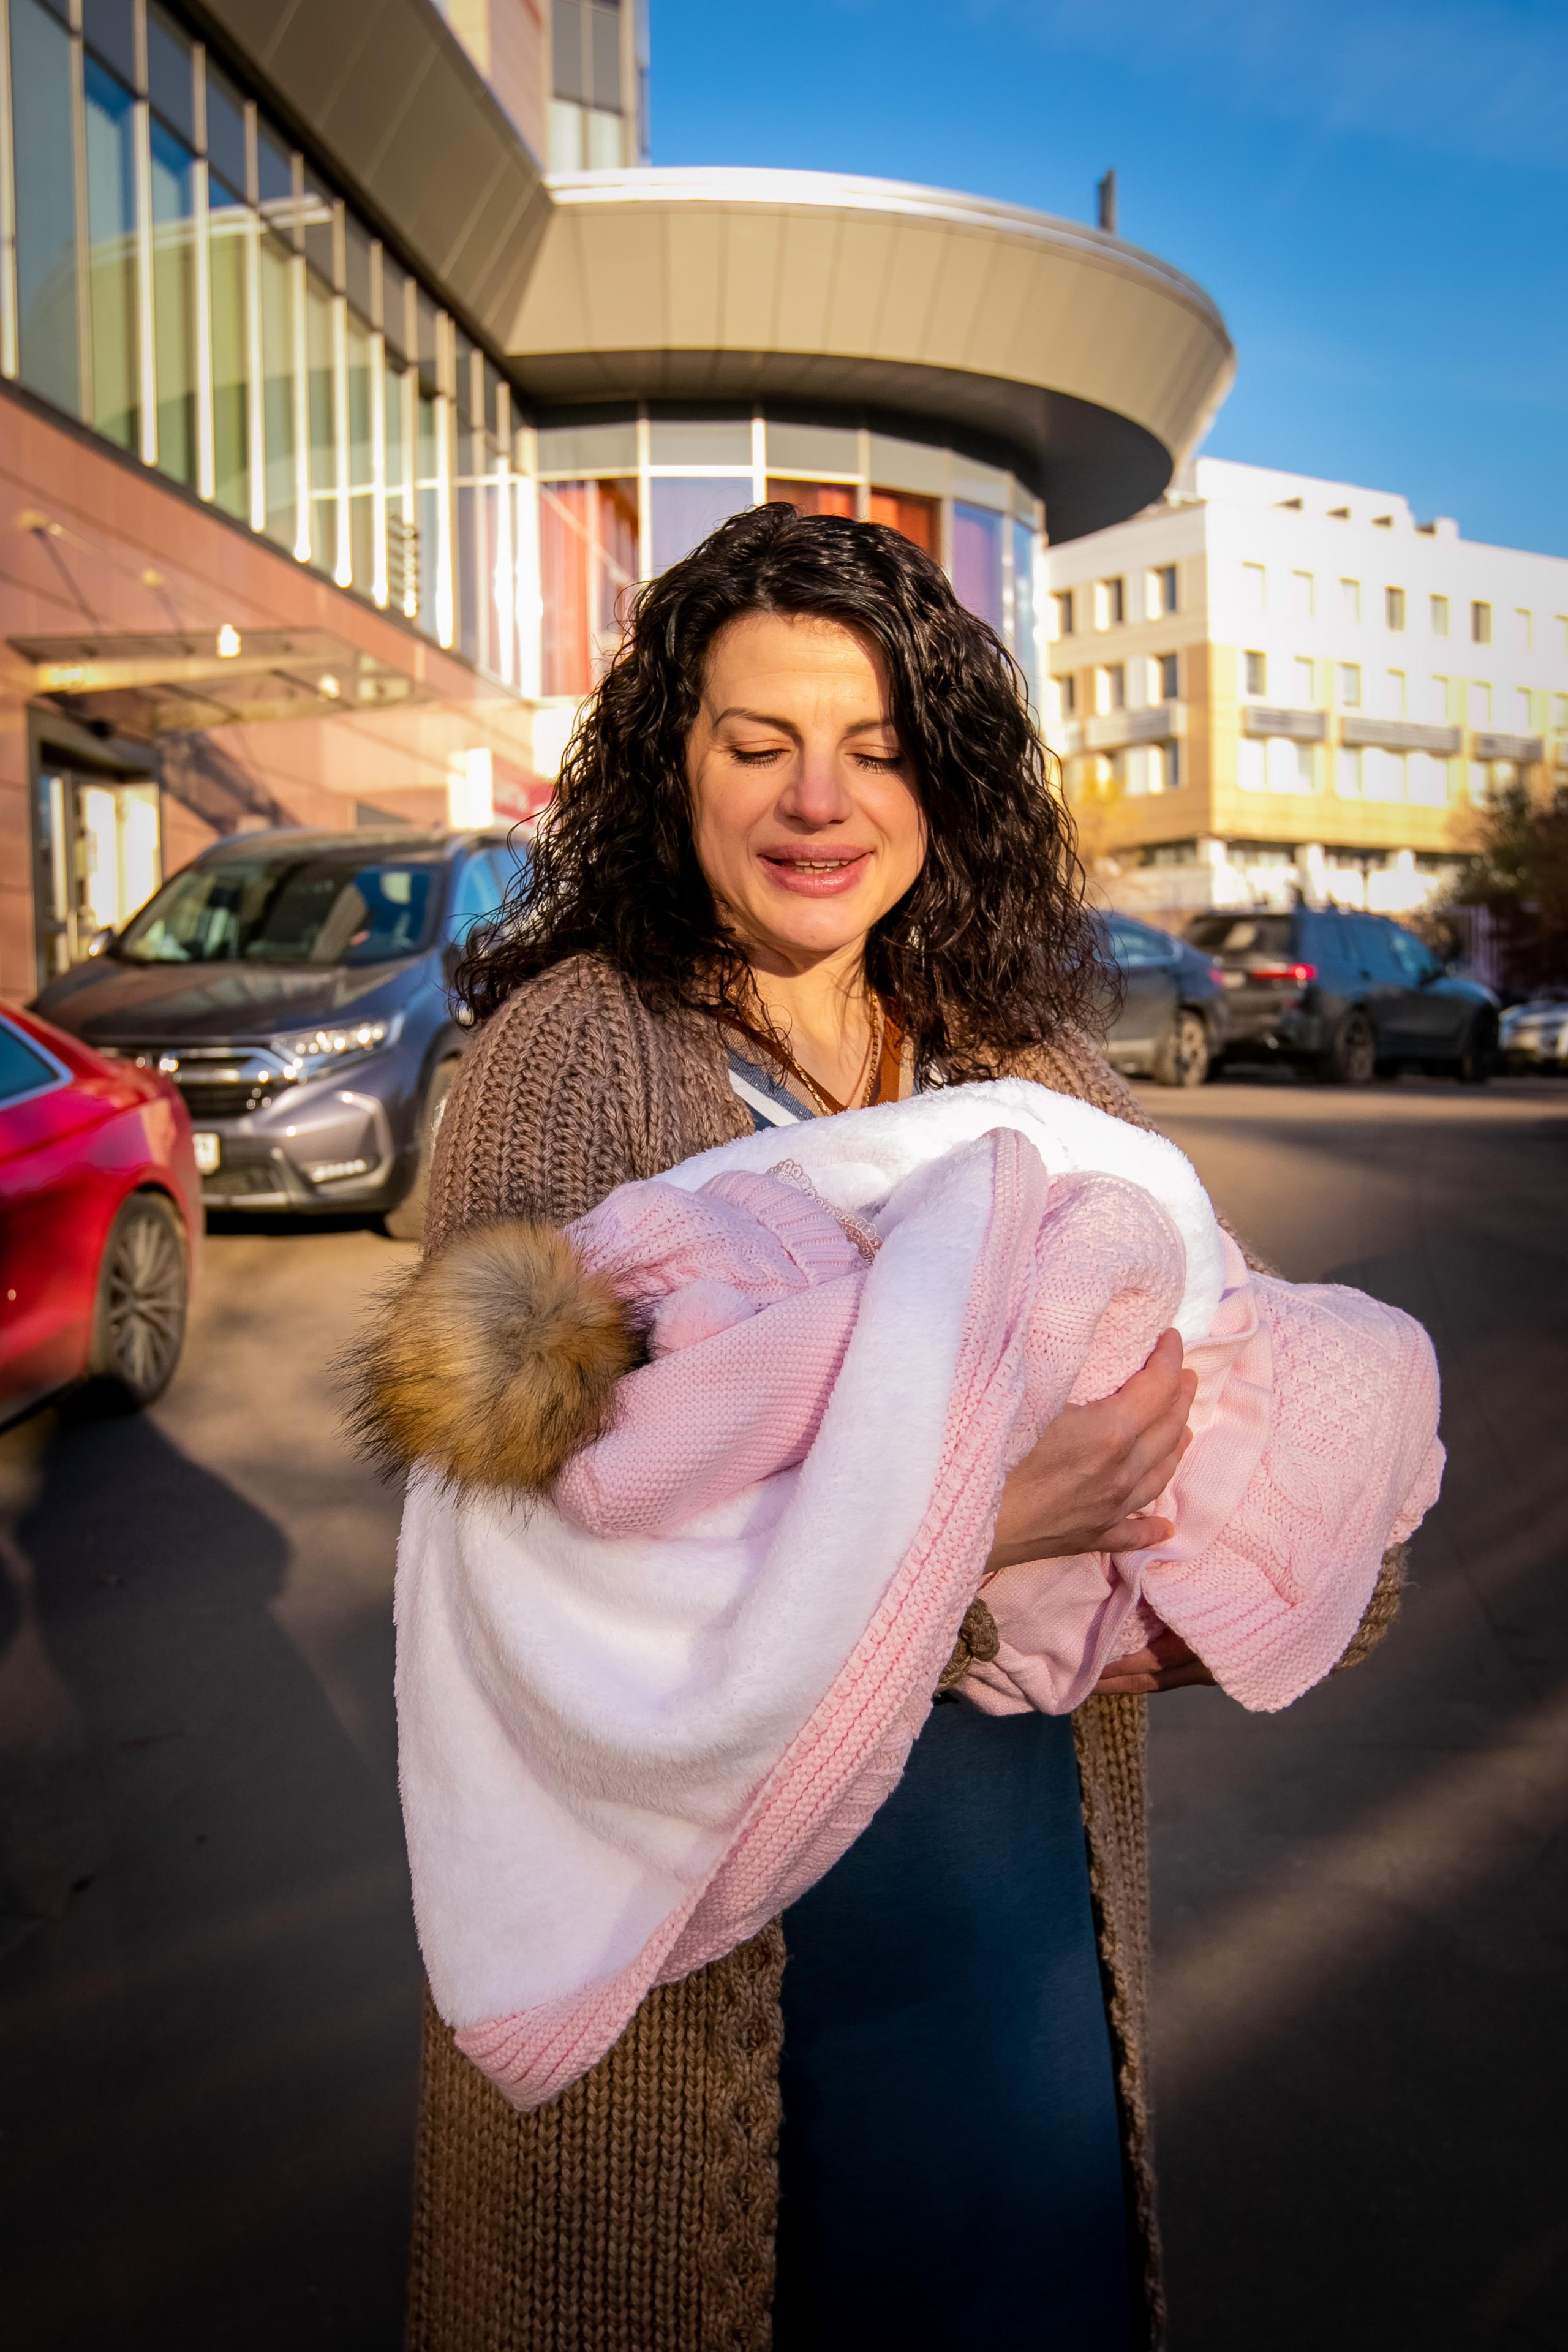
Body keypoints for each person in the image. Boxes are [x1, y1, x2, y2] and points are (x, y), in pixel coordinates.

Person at [399, 503, 1406, 2352]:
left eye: (873, 748)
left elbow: (1284, 1432)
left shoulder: (1032, 1070)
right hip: (707, 1986)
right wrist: (985, 1530)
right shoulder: (579, 1050)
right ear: (672, 769)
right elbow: (506, 1572)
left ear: (939, 781)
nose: (818, 802)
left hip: (1015, 1958)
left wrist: (1225, 1555)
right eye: (757, 743)